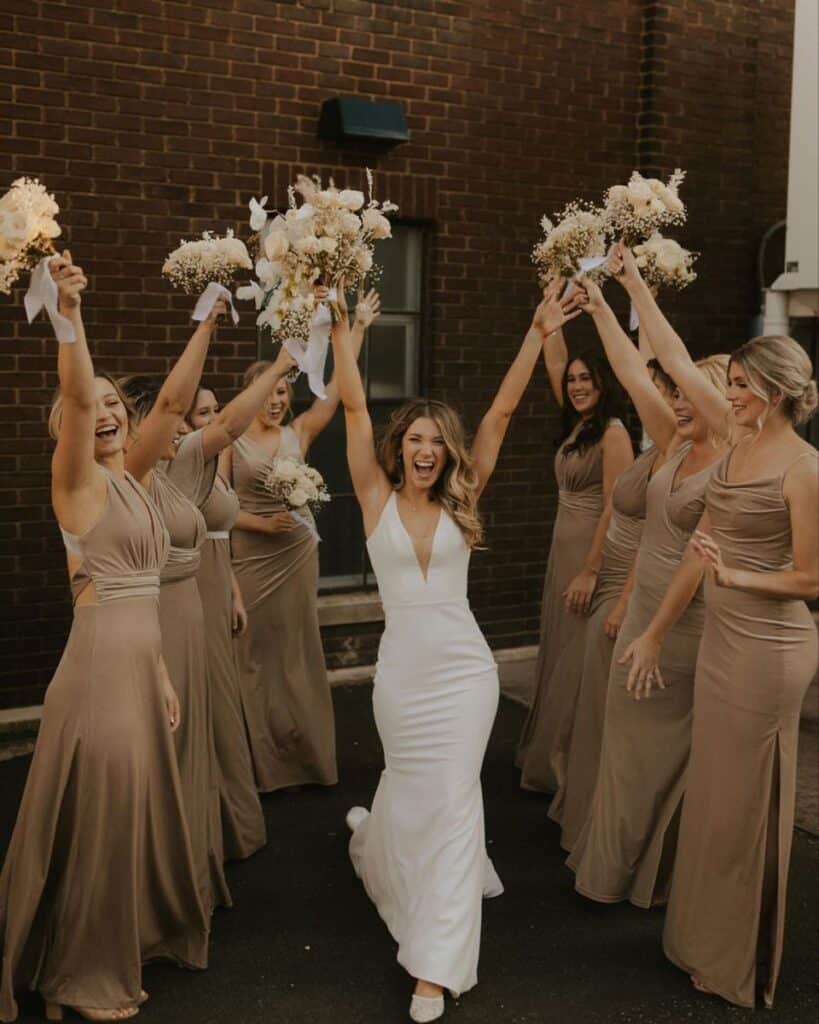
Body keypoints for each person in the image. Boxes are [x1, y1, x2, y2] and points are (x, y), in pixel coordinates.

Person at [337, 280, 582, 1022]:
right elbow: (353, 408)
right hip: (401, 676)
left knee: (451, 796)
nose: (426, 450)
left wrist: (537, 330)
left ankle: (434, 966)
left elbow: (501, 412)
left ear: (447, 453)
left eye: (437, 442)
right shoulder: (374, 498)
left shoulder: (460, 500)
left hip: (464, 673)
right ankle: (380, 845)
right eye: (415, 439)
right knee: (413, 787)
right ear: (399, 447)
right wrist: (345, 334)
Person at [0, 253, 207, 1023]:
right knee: (103, 823)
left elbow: (174, 403)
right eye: (90, 409)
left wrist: (160, 677)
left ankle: (96, 950)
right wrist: (71, 316)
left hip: (136, 673)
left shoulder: (134, 479)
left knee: (120, 820)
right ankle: (78, 979)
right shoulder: (79, 483)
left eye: (117, 401)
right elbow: (80, 395)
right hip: (96, 675)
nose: (106, 412)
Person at [614, 269, 819, 1005]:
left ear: (775, 391)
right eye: (727, 383)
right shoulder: (734, 443)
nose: (727, 394)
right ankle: (699, 940)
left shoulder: (804, 468)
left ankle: (738, 962)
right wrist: (633, 283)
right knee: (711, 796)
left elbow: (810, 578)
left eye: (739, 385)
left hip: (771, 649)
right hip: (722, 642)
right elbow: (670, 356)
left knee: (743, 804)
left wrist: (738, 577)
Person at [566, 258, 731, 907]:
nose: (677, 402)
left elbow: (698, 558)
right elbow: (636, 373)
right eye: (677, 395)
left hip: (683, 625)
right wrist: (602, 306)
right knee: (624, 746)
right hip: (642, 610)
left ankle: (655, 876)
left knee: (662, 754)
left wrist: (655, 633)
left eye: (690, 394)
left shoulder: (731, 468)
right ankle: (609, 870)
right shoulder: (673, 442)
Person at [226, 292, 380, 793]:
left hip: (296, 557)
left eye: (282, 393)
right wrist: (260, 524)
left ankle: (304, 759)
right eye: (267, 393)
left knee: (297, 654)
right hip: (252, 559)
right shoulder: (231, 443)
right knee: (252, 656)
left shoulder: (299, 433)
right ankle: (260, 765)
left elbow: (335, 393)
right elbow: (214, 511)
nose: (275, 402)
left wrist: (355, 328)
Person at [516, 323, 633, 792]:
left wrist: (590, 569)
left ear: (603, 384)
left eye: (587, 379)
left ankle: (570, 764)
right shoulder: (579, 424)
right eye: (573, 380)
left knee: (576, 655)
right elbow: (555, 361)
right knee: (558, 645)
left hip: (589, 552)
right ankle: (550, 753)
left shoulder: (613, 433)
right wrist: (551, 312)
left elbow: (615, 508)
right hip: (561, 547)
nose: (577, 386)